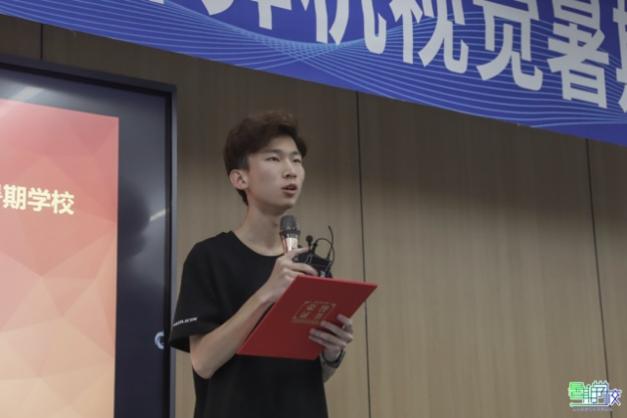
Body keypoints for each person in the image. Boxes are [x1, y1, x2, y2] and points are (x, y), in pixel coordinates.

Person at [169, 111, 354, 418]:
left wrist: (331, 352)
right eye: (274, 159)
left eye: (296, 161)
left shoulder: (313, 266)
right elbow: (203, 362)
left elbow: (309, 375)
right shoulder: (209, 257)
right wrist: (267, 293)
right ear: (240, 178)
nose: (291, 171)